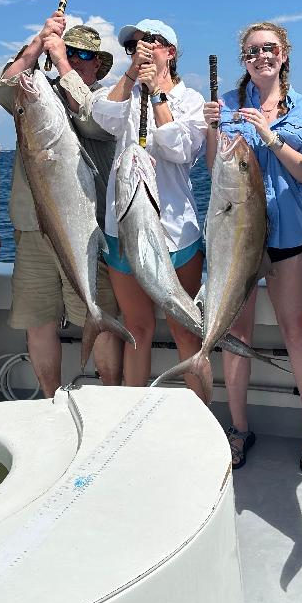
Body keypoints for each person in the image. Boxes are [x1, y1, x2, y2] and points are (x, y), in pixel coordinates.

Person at [203, 22, 302, 473]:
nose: (262, 56)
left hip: (288, 239)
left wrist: (271, 135)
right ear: (243, 59)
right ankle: (238, 429)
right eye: (253, 51)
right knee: (235, 336)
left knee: (297, 331)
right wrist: (211, 131)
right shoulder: (230, 110)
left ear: (284, 54)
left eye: (269, 48)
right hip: (236, 238)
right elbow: (213, 170)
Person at [0, 19, 123, 395]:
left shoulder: (107, 102)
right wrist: (38, 43)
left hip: (85, 233)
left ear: (97, 64)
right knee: (39, 323)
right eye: (68, 51)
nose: (76, 59)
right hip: (33, 230)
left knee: (98, 320)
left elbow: (94, 124)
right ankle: (51, 403)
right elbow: (2, 88)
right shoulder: (35, 96)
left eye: (84, 55)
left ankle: (110, 400)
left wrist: (62, 63)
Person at [91, 20, 206, 393]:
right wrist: (130, 78)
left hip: (176, 235)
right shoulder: (125, 94)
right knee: (136, 328)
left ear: (170, 51)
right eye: (134, 45)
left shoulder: (190, 101)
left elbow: (179, 149)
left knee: (184, 328)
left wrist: (157, 94)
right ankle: (133, 416)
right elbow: (101, 116)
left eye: (150, 43)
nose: (141, 49)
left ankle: (200, 420)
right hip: (123, 228)